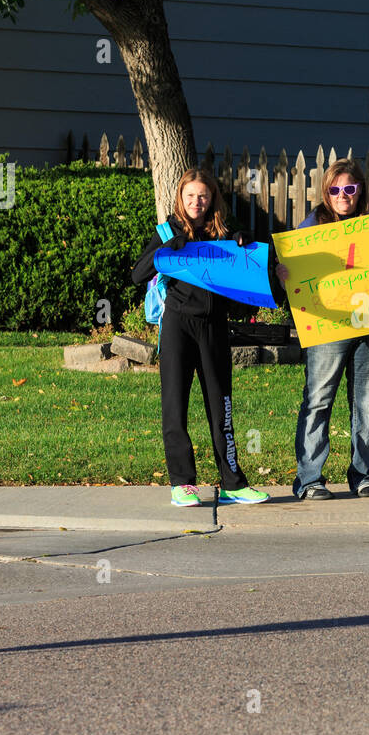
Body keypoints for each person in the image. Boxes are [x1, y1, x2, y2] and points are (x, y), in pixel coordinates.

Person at [275, 158, 369, 500]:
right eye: (335, 189)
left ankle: (362, 473)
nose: (343, 195)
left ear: (360, 191)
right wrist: (286, 276)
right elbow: (294, 277)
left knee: (367, 404)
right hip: (330, 326)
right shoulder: (311, 226)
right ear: (326, 193)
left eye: (350, 188)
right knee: (318, 400)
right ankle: (309, 478)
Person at [131, 168, 272, 508]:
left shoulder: (223, 231)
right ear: (180, 197)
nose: (197, 202)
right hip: (178, 327)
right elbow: (138, 274)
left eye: (203, 196)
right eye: (190, 195)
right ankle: (182, 483)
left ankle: (233, 483)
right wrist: (166, 250)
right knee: (175, 407)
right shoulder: (167, 230)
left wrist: (246, 243)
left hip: (214, 328)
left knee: (221, 407)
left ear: (212, 199)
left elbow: (256, 269)